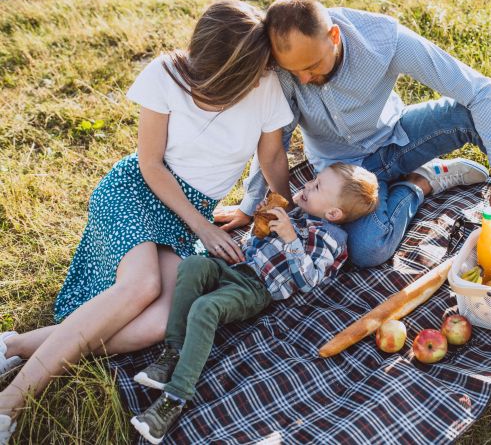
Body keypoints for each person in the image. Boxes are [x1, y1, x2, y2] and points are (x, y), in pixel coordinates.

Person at [0, 0, 295, 444]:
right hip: (140, 191)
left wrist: (286, 205)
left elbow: (271, 155)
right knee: (140, 287)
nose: (254, 80)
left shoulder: (265, 83)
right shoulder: (166, 75)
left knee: (158, 324)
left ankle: (14, 345)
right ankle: (11, 404)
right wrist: (202, 226)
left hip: (190, 213)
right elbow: (151, 165)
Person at [217, 0, 491, 268]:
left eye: (314, 66)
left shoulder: (383, 40)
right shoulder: (286, 72)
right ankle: (427, 180)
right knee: (366, 251)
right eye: (296, 71)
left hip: (400, 138)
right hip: (341, 172)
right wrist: (253, 203)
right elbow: (272, 144)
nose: (305, 78)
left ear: (333, 35)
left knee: (469, 113)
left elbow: (481, 91)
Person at [129, 163, 378, 444]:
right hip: (237, 268)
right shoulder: (297, 215)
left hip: (257, 288)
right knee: (194, 265)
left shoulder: (329, 239)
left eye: (317, 186)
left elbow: (308, 280)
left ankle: (175, 398)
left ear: (333, 213)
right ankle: (173, 352)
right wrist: (260, 225)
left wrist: (289, 237)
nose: (307, 185)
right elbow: (255, 245)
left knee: (205, 308)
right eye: (313, 180)